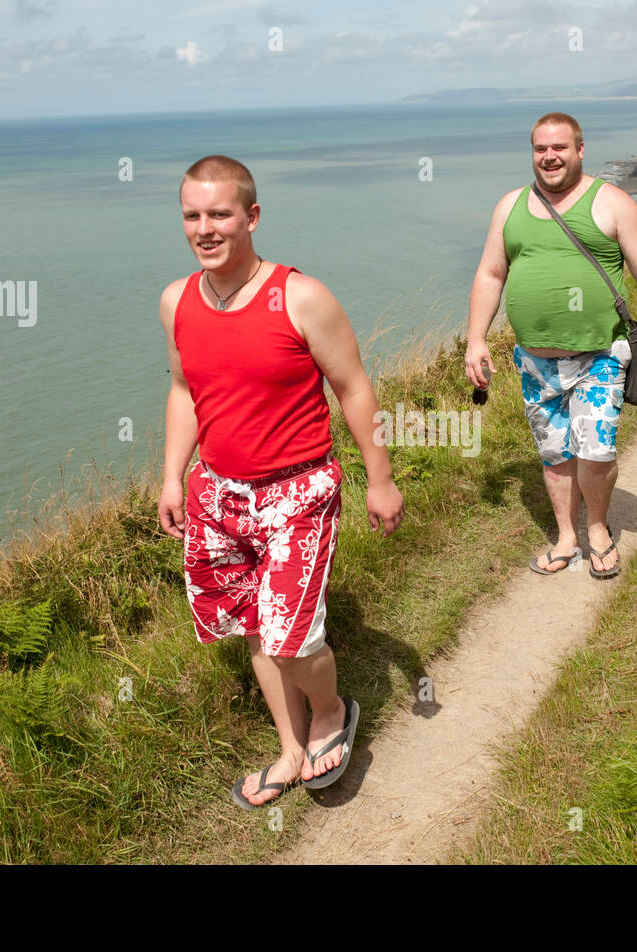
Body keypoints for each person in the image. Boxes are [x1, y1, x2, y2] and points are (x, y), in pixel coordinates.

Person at [157, 155, 404, 808]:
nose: (204, 228)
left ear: (251, 217)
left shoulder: (300, 296)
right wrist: (172, 477)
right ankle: (291, 748)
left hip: (297, 492)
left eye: (219, 214)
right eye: (192, 215)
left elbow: (353, 389)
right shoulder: (176, 301)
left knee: (292, 636)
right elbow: (185, 390)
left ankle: (329, 713)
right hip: (217, 492)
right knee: (252, 627)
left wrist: (380, 480)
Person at [465, 112, 637, 579]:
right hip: (534, 362)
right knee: (555, 456)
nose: (549, 157)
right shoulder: (509, 206)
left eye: (560, 148)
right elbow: (491, 274)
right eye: (540, 149)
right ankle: (567, 537)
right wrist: (475, 339)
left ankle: (598, 531)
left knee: (596, 452)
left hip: (600, 357)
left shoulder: (612, 203)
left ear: (580, 150)